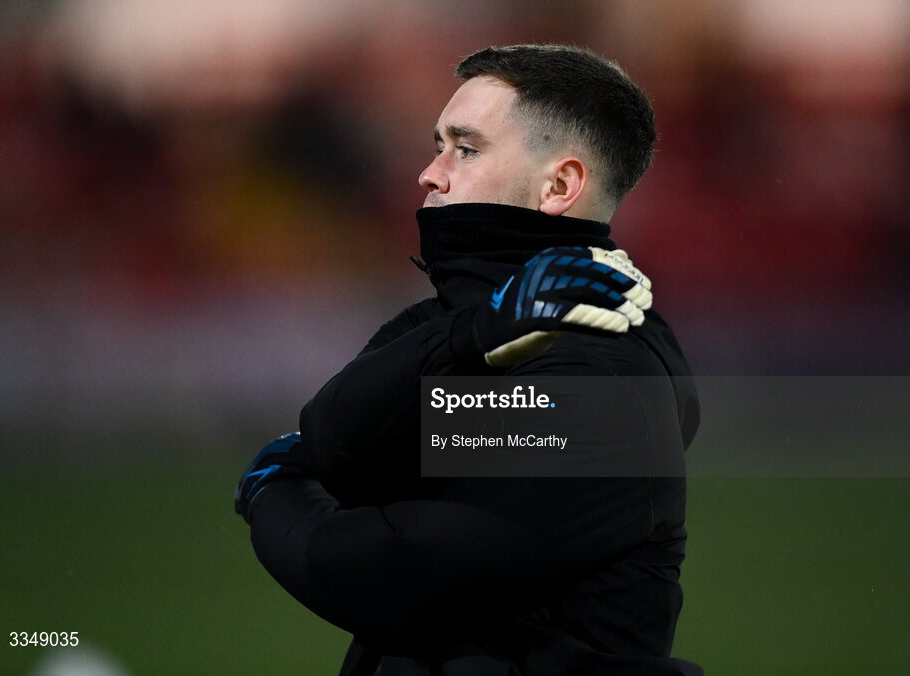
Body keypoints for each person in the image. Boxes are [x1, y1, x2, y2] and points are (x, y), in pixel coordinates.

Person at [235, 44, 702, 675]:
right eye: (438, 145)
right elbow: (336, 435)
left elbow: (393, 575)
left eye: (466, 147)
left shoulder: (605, 376)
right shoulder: (459, 326)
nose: (429, 173)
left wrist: (274, 494)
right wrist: (472, 337)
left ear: (559, 186)